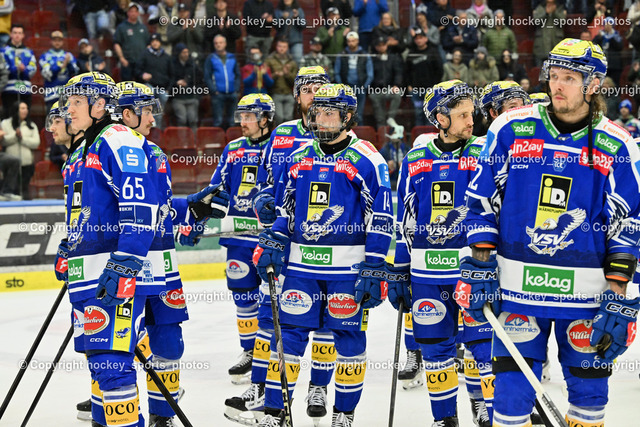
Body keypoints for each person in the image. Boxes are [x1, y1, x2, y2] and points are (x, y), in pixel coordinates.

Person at [458, 38, 640, 427]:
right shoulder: (511, 128)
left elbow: (628, 224)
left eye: (569, 78)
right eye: (554, 75)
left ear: (593, 85)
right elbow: (481, 200)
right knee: (509, 399)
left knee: (590, 399)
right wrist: (481, 261)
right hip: (519, 291)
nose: (557, 85)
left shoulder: (618, 143)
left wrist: (619, 292)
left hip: (587, 298)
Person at [254, 83, 393, 427]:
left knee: (349, 339)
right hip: (302, 268)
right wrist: (274, 239)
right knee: (288, 338)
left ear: (348, 116)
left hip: (348, 271)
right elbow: (286, 210)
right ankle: (275, 412)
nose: (321, 119)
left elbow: (381, 217)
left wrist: (375, 265)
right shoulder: (299, 158)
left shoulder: (367, 158)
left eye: (330, 112)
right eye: (317, 112)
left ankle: (343, 414)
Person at [226, 66, 338, 426]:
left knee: (324, 320)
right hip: (280, 241)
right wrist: (263, 200)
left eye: (320, 88)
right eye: (307, 90)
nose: (314, 95)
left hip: (322, 244)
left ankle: (318, 388)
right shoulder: (284, 134)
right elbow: (266, 181)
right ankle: (261, 387)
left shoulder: (338, 135)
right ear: (297, 95)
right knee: (269, 317)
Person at [391, 80, 488, 427]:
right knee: (435, 350)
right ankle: (444, 419)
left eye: (471, 113)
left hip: (474, 273)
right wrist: (400, 269)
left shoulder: (484, 152)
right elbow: (405, 220)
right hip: (428, 275)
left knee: (482, 346)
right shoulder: (416, 160)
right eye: (462, 115)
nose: (471, 120)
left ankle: (484, 406)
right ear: (440, 119)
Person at [189, 94, 276, 387]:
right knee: (243, 297)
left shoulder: (281, 147)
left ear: (265, 118)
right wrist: (197, 221)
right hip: (238, 238)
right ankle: (250, 351)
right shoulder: (234, 148)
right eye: (241, 116)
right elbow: (216, 189)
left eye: (249, 116)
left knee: (271, 299)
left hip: (270, 239)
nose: (243, 122)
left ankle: (272, 353)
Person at [405, 28, 443, 127]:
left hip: (430, 89)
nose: (419, 40)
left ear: (426, 39)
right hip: (416, 89)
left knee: (429, 113)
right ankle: (419, 133)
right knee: (418, 113)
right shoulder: (411, 53)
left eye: (421, 38)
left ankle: (429, 134)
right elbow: (407, 71)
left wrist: (435, 86)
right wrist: (409, 85)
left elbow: (439, 70)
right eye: (416, 38)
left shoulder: (433, 52)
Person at [1, 101, 39, 200]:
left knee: (24, 189)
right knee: (11, 191)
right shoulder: (5, 123)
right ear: (16, 110)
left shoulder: (31, 125)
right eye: (22, 108)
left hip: (27, 163)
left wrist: (22, 138)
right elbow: (3, 141)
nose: (25, 110)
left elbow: (36, 142)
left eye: (26, 108)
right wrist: (15, 136)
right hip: (10, 164)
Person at [334, 32, 373, 125]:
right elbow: (336, 72)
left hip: (360, 86)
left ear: (357, 41)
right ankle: (346, 131)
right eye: (349, 41)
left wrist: (365, 86)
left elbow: (370, 74)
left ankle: (360, 132)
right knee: (346, 114)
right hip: (346, 87)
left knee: (359, 114)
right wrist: (341, 86)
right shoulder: (342, 54)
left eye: (353, 41)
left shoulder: (364, 55)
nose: (351, 43)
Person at [204, 35, 240, 129]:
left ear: (225, 44)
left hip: (232, 92)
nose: (218, 45)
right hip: (218, 93)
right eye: (216, 43)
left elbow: (237, 74)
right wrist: (213, 90)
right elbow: (207, 76)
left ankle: (231, 138)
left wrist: (236, 89)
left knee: (232, 121)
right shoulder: (211, 58)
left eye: (220, 43)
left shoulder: (232, 57)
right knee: (218, 121)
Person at [39, 31, 79, 111]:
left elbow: (75, 72)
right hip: (51, 95)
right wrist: (61, 66)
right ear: (51, 41)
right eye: (55, 40)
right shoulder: (45, 56)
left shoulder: (69, 55)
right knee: (52, 117)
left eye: (59, 40)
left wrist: (69, 64)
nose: (57, 42)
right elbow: (47, 75)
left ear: (62, 42)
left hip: (66, 96)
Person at [369, 36, 403, 128]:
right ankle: (381, 128)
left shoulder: (393, 58)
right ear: (376, 47)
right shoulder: (372, 59)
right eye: (379, 45)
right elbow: (368, 75)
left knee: (397, 94)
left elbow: (398, 73)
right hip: (376, 89)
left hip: (389, 88)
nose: (381, 47)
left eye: (383, 45)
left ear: (386, 45)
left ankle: (391, 118)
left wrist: (396, 85)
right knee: (379, 116)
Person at [1, 24, 36, 112]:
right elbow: (3, 69)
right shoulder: (3, 51)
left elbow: (33, 69)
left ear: (23, 35)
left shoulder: (29, 52)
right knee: (8, 117)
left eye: (20, 33)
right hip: (9, 90)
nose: (17, 35)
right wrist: (14, 69)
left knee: (25, 116)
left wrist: (24, 69)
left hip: (25, 90)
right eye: (15, 33)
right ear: (11, 34)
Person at [265, 38, 298, 124]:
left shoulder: (292, 62)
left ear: (287, 48)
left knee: (289, 118)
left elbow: (296, 81)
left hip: (288, 93)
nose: (282, 49)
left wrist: (287, 74)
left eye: (284, 47)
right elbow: (266, 79)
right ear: (276, 47)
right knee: (279, 118)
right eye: (280, 46)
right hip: (276, 93)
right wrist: (275, 75)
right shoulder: (269, 60)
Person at [114, 3, 150, 81]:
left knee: (141, 85)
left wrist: (146, 59)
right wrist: (122, 58)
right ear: (128, 13)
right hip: (127, 61)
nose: (133, 13)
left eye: (135, 11)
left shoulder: (143, 27)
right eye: (131, 11)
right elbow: (117, 44)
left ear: (138, 13)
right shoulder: (121, 27)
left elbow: (148, 45)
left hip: (141, 63)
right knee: (127, 85)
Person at [172, 43, 202, 132]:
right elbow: (169, 79)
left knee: (193, 120)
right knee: (182, 120)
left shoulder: (193, 65)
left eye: (187, 52)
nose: (186, 54)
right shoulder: (172, 64)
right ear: (179, 53)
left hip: (191, 96)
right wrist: (176, 83)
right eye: (183, 52)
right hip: (178, 97)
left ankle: (194, 139)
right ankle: (182, 139)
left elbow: (199, 80)